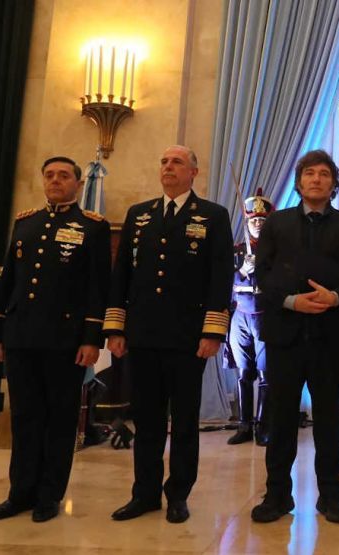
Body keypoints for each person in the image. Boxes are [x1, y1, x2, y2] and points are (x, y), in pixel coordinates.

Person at [105, 145, 233, 524]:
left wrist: (213, 332)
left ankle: (178, 494)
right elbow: (121, 276)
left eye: (177, 162)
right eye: (163, 161)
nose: (168, 167)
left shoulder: (212, 215)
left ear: (194, 172)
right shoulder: (139, 214)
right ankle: (143, 494)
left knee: (184, 422)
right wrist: (115, 327)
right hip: (142, 336)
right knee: (146, 420)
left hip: (188, 338)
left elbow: (220, 275)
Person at [0, 156, 110, 523]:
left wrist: (91, 338)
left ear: (78, 184)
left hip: (65, 340)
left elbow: (96, 287)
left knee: (59, 418)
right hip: (21, 336)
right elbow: (8, 283)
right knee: (24, 417)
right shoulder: (26, 223)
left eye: (64, 175)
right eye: (50, 175)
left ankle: (50, 495)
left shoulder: (92, 226)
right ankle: (20, 493)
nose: (56, 180)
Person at [249, 150, 339, 525]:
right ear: (299, 182)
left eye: (325, 174)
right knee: (281, 419)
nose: (317, 179)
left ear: (334, 184)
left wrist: (334, 297)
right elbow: (262, 276)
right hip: (285, 335)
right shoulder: (276, 223)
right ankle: (277, 496)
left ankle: (331, 496)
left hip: (331, 336)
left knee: (329, 420)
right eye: (310, 174)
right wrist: (291, 301)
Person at [226, 188, 274, 446]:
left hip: (264, 315)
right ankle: (244, 425)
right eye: (253, 220)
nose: (257, 224)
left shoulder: (277, 250)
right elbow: (224, 281)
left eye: (261, 220)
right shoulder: (235, 250)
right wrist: (243, 270)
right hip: (240, 316)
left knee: (266, 374)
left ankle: (263, 427)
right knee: (244, 374)